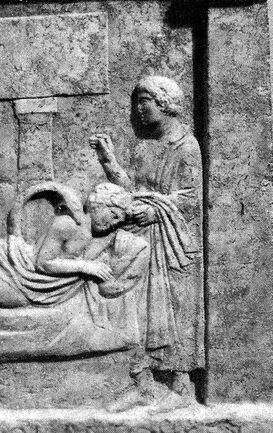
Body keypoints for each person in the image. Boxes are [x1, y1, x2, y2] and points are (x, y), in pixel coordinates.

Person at [89, 76, 203, 412]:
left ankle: (181, 388)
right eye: (135, 102)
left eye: (144, 101)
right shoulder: (143, 147)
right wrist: (109, 161)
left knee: (175, 312)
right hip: (141, 241)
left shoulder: (186, 147)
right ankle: (143, 386)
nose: (137, 109)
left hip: (172, 242)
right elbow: (132, 191)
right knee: (136, 312)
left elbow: (191, 199)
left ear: (165, 103)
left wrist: (153, 210)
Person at [0, 182, 150, 361]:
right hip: (18, 271)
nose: (114, 223)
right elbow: (43, 264)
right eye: (113, 215)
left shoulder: (101, 234)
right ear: (98, 206)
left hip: (49, 284)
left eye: (118, 221)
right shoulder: (66, 224)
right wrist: (85, 266)